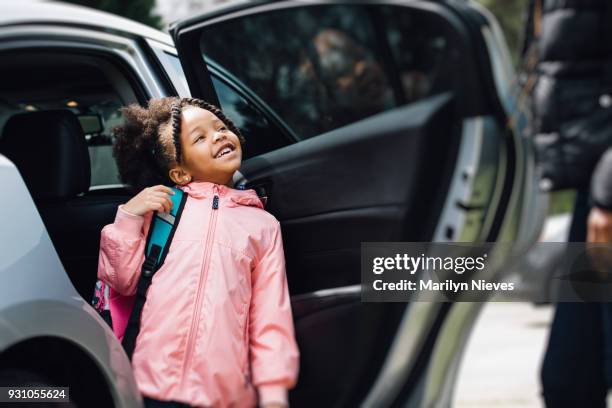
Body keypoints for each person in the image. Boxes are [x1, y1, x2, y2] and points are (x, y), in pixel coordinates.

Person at [97, 97, 299, 408]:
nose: (218, 135)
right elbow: (122, 281)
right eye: (200, 137)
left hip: (223, 394)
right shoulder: (164, 210)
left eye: (220, 128)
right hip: (150, 384)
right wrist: (128, 217)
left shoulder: (263, 225)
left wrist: (273, 393)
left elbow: (270, 315)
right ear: (180, 174)